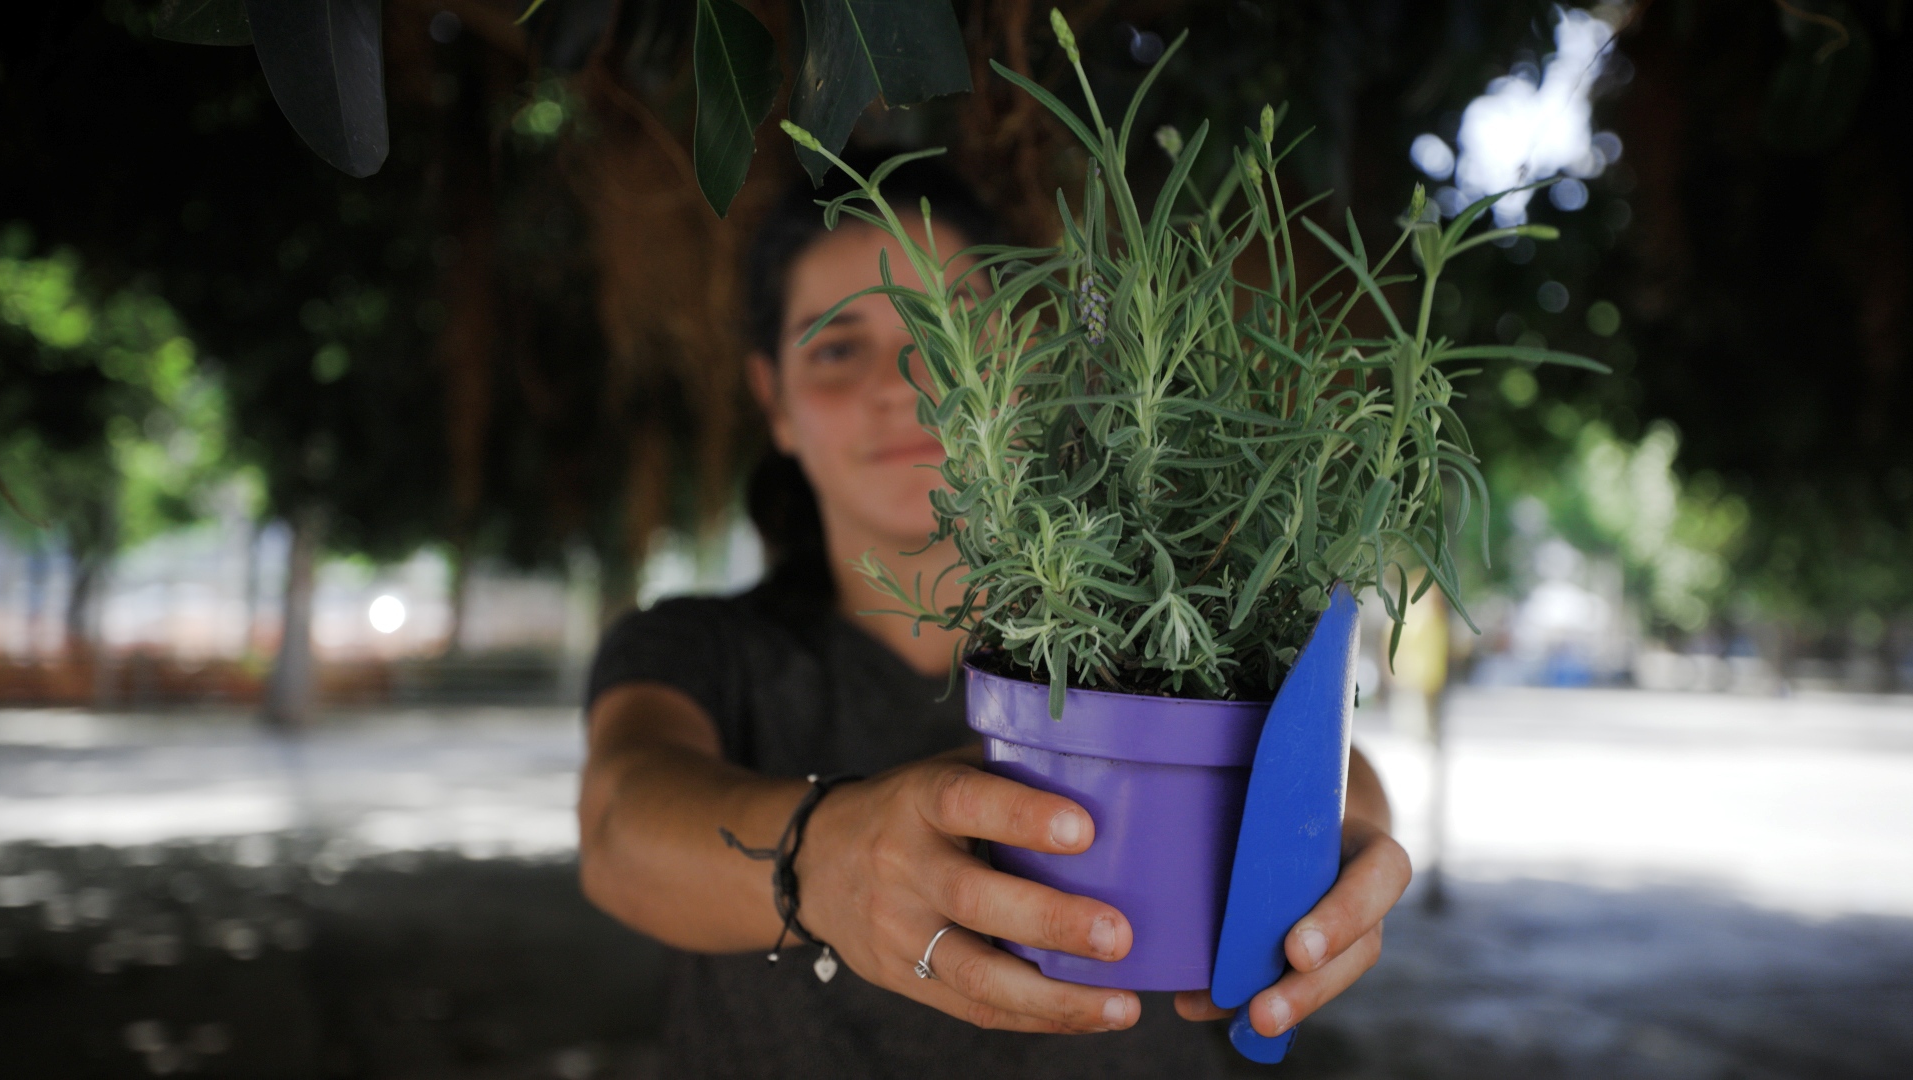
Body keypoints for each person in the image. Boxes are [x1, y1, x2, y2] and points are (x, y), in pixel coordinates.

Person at [579, 158, 1410, 1077]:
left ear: (1025, 360)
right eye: (837, 349)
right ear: (773, 400)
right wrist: (825, 859)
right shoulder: (700, 649)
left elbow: (1309, 757)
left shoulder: (1161, 622)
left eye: (947, 332)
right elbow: (619, 824)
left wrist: (1341, 838)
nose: (904, 381)